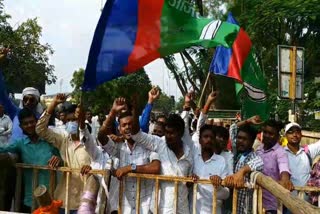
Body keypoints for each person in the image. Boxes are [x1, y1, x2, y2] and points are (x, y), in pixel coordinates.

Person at [98, 97, 161, 214]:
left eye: (130, 124)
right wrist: (112, 112)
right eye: (124, 125)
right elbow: (101, 137)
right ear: (119, 129)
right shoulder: (119, 148)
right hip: (125, 208)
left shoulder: (147, 145)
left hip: (146, 208)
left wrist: (130, 168)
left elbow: (155, 167)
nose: (127, 127)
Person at [36, 94, 91, 214]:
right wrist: (54, 103)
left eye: (74, 120)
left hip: (84, 203)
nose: (71, 123)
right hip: (63, 200)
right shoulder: (63, 139)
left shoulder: (91, 143)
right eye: (68, 121)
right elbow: (40, 129)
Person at [131, 107, 193, 213]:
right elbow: (136, 135)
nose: (168, 136)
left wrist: (191, 179)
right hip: (161, 208)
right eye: (167, 132)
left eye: (172, 133)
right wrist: (135, 108)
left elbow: (188, 181)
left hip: (182, 208)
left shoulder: (189, 152)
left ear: (181, 133)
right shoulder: (159, 143)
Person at [0, 108, 61, 212]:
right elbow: (3, 148)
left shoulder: (50, 141)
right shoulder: (21, 143)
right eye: (25, 123)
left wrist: (58, 158)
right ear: (21, 127)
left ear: (37, 122)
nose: (29, 125)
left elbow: (63, 158)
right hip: (31, 199)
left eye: (32, 122)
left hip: (51, 197)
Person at [224, 125, 264, 214]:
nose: (240, 141)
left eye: (245, 139)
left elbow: (259, 162)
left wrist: (241, 172)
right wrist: (248, 121)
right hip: (230, 205)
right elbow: (233, 128)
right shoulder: (236, 152)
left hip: (244, 208)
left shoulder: (253, 157)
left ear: (252, 141)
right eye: (239, 138)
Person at [256, 120, 293, 214]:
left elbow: (284, 166)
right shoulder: (258, 150)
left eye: (271, 133)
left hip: (273, 206)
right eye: (265, 132)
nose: (267, 135)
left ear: (277, 136)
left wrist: (285, 179)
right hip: (256, 202)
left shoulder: (280, 152)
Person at [191, 124, 229, 214]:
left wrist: (218, 186)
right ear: (200, 140)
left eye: (211, 137)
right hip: (193, 210)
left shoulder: (221, 161)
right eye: (205, 137)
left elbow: (226, 194)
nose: (209, 140)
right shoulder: (193, 157)